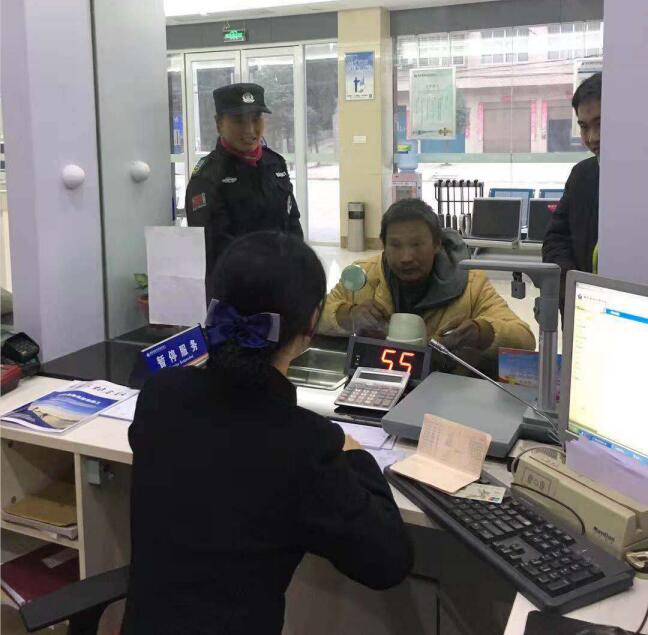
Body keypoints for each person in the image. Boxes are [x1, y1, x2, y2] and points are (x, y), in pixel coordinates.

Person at [123, 232, 413, 635]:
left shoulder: (161, 395)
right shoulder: (306, 444)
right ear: (312, 321)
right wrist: (355, 455)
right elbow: (388, 561)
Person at [319, 198, 535, 371]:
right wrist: (349, 315)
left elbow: (524, 339)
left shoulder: (471, 284)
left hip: (442, 394)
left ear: (437, 244)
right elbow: (314, 315)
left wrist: (482, 331)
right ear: (383, 244)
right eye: (395, 245)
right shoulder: (363, 276)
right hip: (374, 385)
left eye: (417, 244)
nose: (406, 257)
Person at [185, 83, 303, 292]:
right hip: (237, 291)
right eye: (238, 120)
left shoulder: (275, 164)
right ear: (219, 124)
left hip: (281, 283)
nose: (249, 129)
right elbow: (215, 246)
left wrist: (298, 266)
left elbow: (292, 222)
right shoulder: (208, 176)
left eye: (256, 118)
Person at [543, 72, 602, 312]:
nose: (593, 138)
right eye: (584, 127)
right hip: (582, 309)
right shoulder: (582, 175)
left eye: (601, 124)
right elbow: (556, 238)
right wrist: (571, 284)